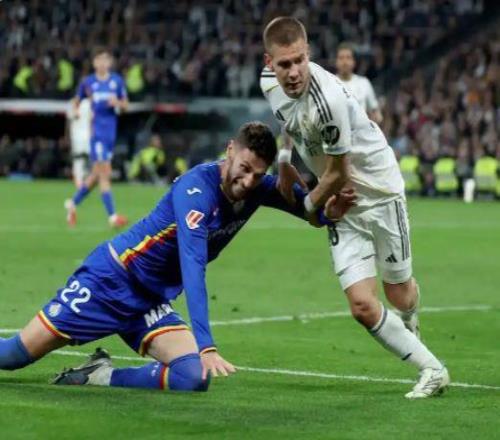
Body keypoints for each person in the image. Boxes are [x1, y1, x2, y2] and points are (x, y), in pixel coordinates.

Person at [0, 122, 354, 392]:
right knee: (12, 356)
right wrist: (207, 345)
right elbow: (193, 266)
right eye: (244, 168)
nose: (248, 181)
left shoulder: (258, 188)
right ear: (230, 150)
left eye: (257, 174)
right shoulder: (196, 191)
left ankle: (99, 375)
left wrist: (327, 213)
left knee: (193, 377)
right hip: (109, 281)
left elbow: (306, 207)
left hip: (149, 300)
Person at [261, 17, 449, 399]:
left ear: (309, 54)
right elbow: (287, 121)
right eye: (284, 64)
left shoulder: (328, 100)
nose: (293, 72)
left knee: (399, 296)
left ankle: (411, 314)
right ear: (270, 63)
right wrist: (283, 161)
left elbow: (338, 172)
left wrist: (310, 208)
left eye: (299, 61)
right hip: (341, 203)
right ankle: (433, 369)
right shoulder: (269, 85)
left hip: (379, 192)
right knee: (362, 306)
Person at [64, 47, 128, 228]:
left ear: (110, 62)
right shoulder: (88, 82)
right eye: (99, 60)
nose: (102, 63)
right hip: (97, 134)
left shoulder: (117, 81)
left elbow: (125, 105)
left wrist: (117, 103)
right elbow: (76, 100)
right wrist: (76, 112)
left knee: (95, 175)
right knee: (104, 174)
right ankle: (112, 217)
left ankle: (72, 203)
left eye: (105, 60)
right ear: (94, 63)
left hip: (110, 134)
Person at [335, 42, 383, 125]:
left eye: (348, 58)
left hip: (361, 131)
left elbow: (375, 112)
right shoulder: (329, 83)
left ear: (354, 62)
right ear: (336, 62)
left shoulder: (364, 83)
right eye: (341, 58)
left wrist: (377, 118)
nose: (344, 62)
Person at [67, 97, 91, 188]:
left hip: (88, 135)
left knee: (90, 158)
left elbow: (93, 120)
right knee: (78, 159)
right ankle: (78, 181)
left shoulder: (90, 102)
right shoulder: (72, 102)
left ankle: (88, 180)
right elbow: (71, 118)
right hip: (76, 136)